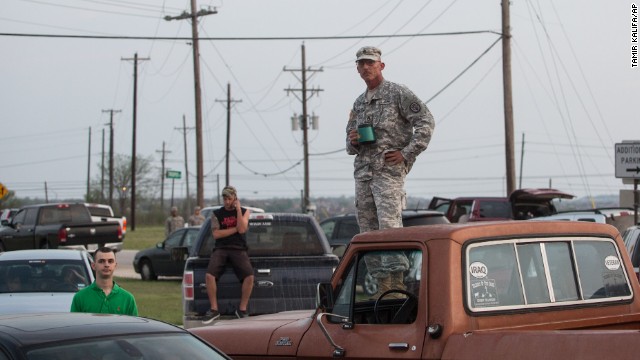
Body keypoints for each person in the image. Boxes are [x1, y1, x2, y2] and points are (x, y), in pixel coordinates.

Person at [346, 46, 435, 299]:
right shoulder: (359, 102)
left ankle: (395, 287)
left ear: (381, 65)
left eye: (370, 63)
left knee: (390, 227)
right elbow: (349, 144)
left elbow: (426, 121)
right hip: (364, 172)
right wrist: (353, 140)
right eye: (361, 64)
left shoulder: (398, 93)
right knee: (368, 230)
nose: (365, 68)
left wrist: (407, 153)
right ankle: (380, 284)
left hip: (388, 172)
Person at [202, 186, 254, 324]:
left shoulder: (244, 211)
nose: (226, 201)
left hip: (239, 249)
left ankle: (242, 309)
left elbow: (242, 229)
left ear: (235, 198)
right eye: (224, 198)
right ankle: (214, 309)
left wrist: (237, 209)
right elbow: (216, 234)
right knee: (209, 275)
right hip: (221, 248)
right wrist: (235, 229)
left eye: (229, 198)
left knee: (249, 276)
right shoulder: (217, 214)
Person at [70, 247, 138, 315]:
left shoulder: (128, 299)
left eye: (110, 261)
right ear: (93, 265)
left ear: (115, 265)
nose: (106, 265)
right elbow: (74, 324)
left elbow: (134, 325)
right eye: (101, 261)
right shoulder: (80, 297)